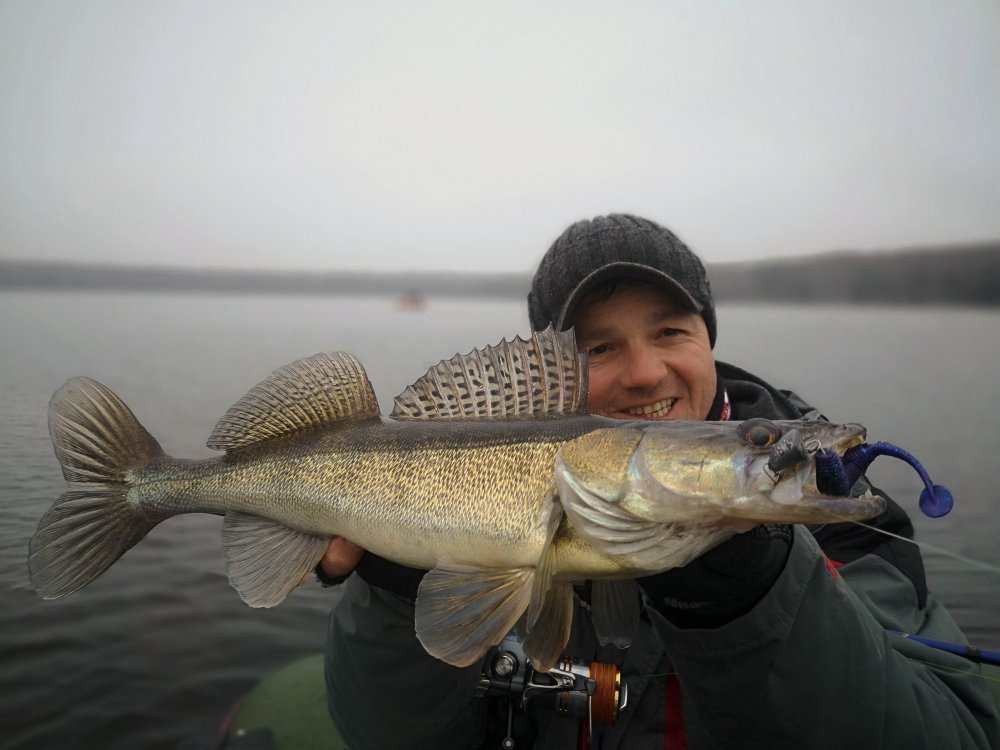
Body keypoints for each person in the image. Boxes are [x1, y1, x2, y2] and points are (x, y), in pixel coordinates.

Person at [318, 214, 999, 749]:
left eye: (670, 330)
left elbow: (958, 734)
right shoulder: (486, 485)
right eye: (599, 347)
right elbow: (390, 736)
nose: (644, 373)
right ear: (551, 372)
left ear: (708, 338)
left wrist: (751, 590)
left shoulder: (835, 511)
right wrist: (398, 593)